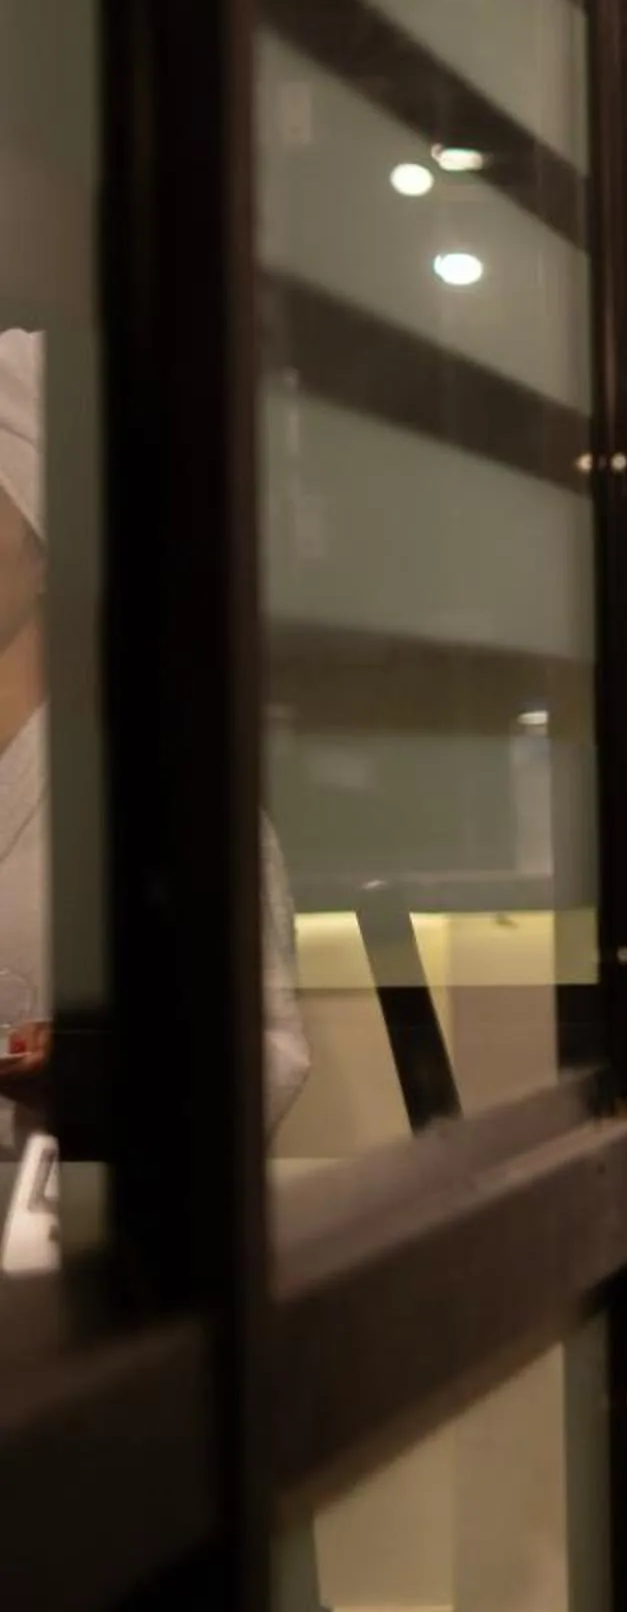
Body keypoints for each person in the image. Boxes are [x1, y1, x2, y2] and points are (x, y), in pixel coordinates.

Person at [0, 330, 310, 1177]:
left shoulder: (155, 801)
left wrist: (109, 1077)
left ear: (40, 552)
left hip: (84, 1260)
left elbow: (264, 1050)